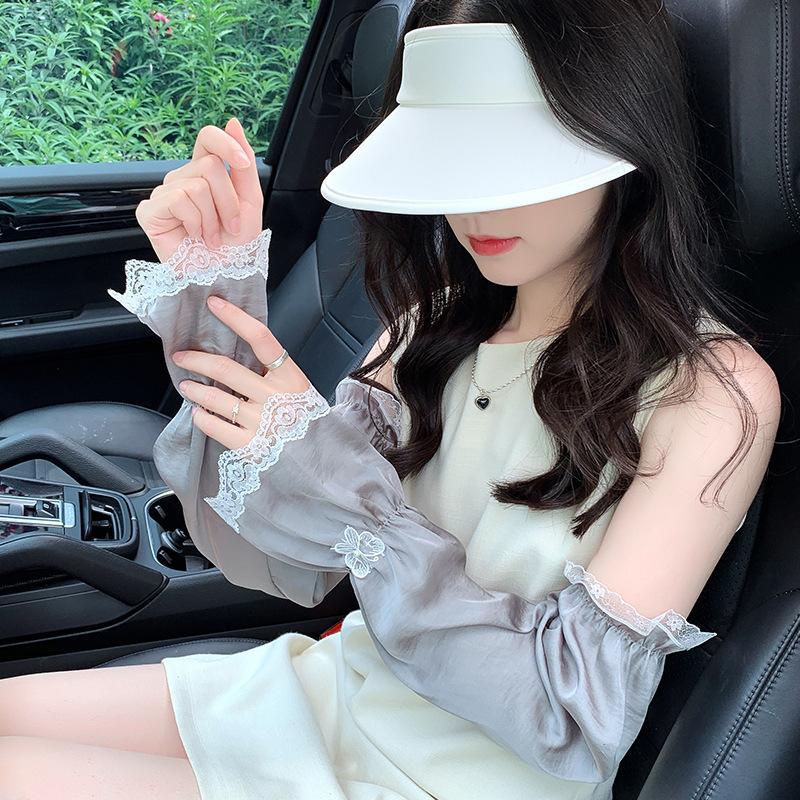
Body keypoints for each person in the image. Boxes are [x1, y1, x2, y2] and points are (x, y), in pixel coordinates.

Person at [0, 8, 781, 800]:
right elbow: (281, 567)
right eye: (445, 156)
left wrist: (361, 508)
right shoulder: (429, 327)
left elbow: (570, 720)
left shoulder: (710, 392)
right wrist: (217, 307)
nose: (473, 206)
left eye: (507, 157)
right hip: (340, 691)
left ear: (617, 130)